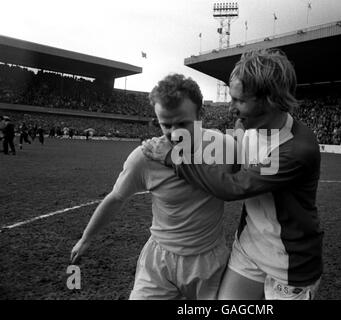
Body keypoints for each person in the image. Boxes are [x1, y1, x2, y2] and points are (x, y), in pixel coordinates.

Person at [142, 49, 323, 300]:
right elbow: (227, 162)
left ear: (269, 99)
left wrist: (174, 159)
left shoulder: (295, 150)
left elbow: (233, 187)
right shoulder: (245, 127)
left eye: (239, 100)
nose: (232, 107)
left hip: (290, 266)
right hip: (248, 252)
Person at [70, 74, 235, 300]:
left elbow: (256, 179)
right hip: (160, 261)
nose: (174, 132)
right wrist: (86, 237)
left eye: (182, 123)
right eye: (166, 124)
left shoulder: (225, 147)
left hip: (209, 262)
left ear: (201, 115)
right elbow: (116, 198)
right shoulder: (145, 157)